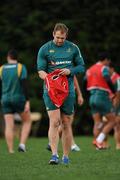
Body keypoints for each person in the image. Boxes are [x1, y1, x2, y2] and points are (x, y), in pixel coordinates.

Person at [37, 23, 85, 165]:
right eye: (58, 37)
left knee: (66, 123)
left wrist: (70, 71)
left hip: (68, 91)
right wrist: (49, 78)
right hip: (51, 91)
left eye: (62, 38)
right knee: (55, 121)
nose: (60, 40)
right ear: (53, 34)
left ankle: (65, 156)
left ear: (66, 36)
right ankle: (54, 155)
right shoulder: (44, 49)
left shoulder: (73, 48)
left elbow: (81, 66)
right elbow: (40, 70)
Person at [0, 49, 31, 153]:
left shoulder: (1, 68)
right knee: (27, 121)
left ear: (8, 57)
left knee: (9, 125)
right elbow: (25, 86)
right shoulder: (20, 67)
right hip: (18, 99)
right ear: (17, 58)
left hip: (5, 99)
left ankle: (10, 150)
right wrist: (27, 101)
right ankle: (22, 145)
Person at [85, 52, 116, 150]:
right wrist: (113, 91)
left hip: (92, 96)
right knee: (112, 120)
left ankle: (98, 146)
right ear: (106, 59)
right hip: (102, 96)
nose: (109, 62)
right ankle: (99, 141)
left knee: (97, 122)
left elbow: (84, 82)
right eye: (108, 60)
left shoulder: (90, 69)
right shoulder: (104, 68)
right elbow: (107, 79)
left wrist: (87, 94)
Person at [47, 75, 84, 152]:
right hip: (59, 94)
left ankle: (53, 143)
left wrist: (79, 94)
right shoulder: (56, 66)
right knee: (63, 122)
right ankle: (71, 145)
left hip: (68, 94)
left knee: (66, 121)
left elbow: (74, 78)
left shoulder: (69, 67)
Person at [109, 63, 120, 149]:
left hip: (116, 104)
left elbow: (118, 93)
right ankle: (104, 144)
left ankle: (118, 145)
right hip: (110, 103)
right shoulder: (109, 78)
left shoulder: (117, 78)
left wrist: (115, 104)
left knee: (117, 125)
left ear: (112, 69)